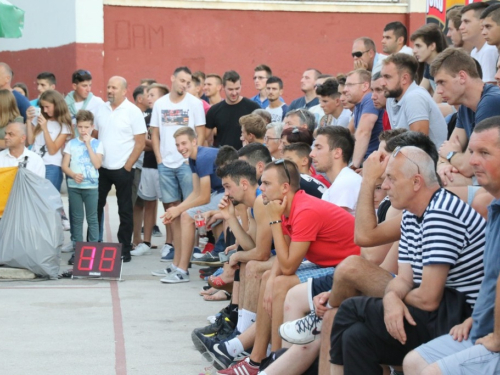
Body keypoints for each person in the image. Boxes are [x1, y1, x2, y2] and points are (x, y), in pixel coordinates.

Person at [329, 146, 486, 375]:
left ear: (416, 182)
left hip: (462, 318)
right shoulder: (413, 214)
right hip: (441, 312)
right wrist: (392, 297)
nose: (384, 186)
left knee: (350, 309)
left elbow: (429, 299)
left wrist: (395, 298)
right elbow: (404, 279)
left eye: (391, 178)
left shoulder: (442, 213)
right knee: (356, 338)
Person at [215, 160, 360, 374]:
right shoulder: (286, 205)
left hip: (349, 269)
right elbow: (286, 254)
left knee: (281, 284)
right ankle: (258, 360)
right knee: (270, 279)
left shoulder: (304, 209)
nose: (261, 188)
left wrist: (274, 221)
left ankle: (276, 360)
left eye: (266, 183)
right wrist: (271, 279)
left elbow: (289, 265)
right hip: (331, 264)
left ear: (284, 187)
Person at [402, 116, 500, 375]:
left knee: (431, 372)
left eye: (484, 152)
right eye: (472, 152)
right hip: (482, 325)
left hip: (496, 336)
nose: (473, 161)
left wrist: (497, 336)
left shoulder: (443, 211)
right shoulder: (495, 208)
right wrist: (476, 318)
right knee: (413, 362)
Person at [154, 126, 226, 283]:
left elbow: (205, 197)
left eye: (184, 143)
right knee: (178, 214)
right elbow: (196, 192)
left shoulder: (204, 156)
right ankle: (176, 265)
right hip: (218, 193)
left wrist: (180, 209)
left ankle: (182, 271)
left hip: (227, 193)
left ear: (194, 141)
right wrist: (175, 210)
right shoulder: (193, 159)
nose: (181, 148)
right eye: (178, 145)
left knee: (186, 216)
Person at [150, 67, 206, 261]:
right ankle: (173, 245)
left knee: (191, 206)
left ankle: (195, 246)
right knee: (171, 207)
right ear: (172, 78)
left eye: (187, 82)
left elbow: (201, 132)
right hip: (166, 163)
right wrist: (159, 159)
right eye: (181, 80)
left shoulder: (195, 103)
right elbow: (154, 133)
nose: (184, 85)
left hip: (187, 163)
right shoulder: (160, 104)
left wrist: (194, 158)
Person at [94, 76, 147, 263]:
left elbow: (140, 142)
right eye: (108, 87)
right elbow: (94, 134)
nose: (110, 90)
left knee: (125, 211)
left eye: (114, 88)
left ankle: (124, 249)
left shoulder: (133, 111)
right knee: (95, 208)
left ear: (124, 90)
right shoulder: (101, 109)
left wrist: (128, 166)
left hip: (123, 168)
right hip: (102, 168)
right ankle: (93, 244)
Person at [431, 48, 500, 187]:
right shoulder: (465, 106)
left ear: (462, 77)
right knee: (439, 177)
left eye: (442, 82)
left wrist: (451, 155)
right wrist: (443, 165)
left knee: (441, 183)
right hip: (485, 179)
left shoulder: (491, 102)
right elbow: (444, 151)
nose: (438, 91)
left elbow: (469, 166)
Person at [133, 83, 170, 257]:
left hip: (164, 166)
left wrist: (147, 143)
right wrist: (151, 143)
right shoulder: (143, 118)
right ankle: (146, 241)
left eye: (152, 95)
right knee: (149, 204)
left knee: (169, 206)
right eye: (148, 94)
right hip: (148, 166)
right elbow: (141, 144)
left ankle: (170, 243)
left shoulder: (167, 119)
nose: (148, 97)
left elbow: (164, 144)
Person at [381, 53, 447, 149]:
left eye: (387, 77)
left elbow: (419, 146)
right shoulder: (391, 98)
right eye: (382, 76)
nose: (382, 83)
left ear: (404, 78)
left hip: (430, 161)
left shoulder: (415, 98)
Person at [61, 110, 103, 260]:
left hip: (91, 188)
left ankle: (92, 250)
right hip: (74, 187)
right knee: (77, 219)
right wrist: (73, 175)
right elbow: (64, 165)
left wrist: (88, 145)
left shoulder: (97, 144)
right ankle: (77, 250)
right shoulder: (71, 144)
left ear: (92, 127)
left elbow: (97, 164)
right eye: (80, 127)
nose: (83, 130)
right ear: (75, 127)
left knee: (92, 219)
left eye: (86, 127)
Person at [26, 90, 74, 191]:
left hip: (52, 166)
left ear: (57, 105)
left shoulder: (64, 125)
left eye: (47, 107)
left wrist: (45, 129)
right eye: (43, 107)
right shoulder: (39, 119)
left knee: (49, 200)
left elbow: (52, 150)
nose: (45, 110)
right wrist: (28, 121)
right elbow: (30, 141)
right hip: (34, 163)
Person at [310, 126, 361, 214]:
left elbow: (334, 225)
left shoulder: (346, 182)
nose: (311, 154)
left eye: (318, 148)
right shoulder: (342, 181)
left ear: (337, 153)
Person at [206, 70, 260, 149]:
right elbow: (206, 138)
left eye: (237, 88)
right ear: (223, 87)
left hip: (246, 156)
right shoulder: (214, 110)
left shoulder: (253, 107)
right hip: (223, 157)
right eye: (230, 89)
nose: (234, 93)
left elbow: (261, 135)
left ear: (241, 86)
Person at [343, 69, 383, 169]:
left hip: (376, 162)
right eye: (345, 85)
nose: (344, 89)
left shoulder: (369, 98)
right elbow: (349, 133)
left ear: (365, 86)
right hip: (369, 161)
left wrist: (354, 166)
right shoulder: (358, 105)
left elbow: (363, 131)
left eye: (350, 85)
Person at [460, 2, 498, 84]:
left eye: (466, 22)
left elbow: (490, 87)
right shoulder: (474, 52)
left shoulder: (489, 50)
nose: (461, 27)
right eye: (461, 22)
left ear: (481, 22)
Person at [410, 24, 449, 95]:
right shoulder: (430, 64)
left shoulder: (444, 66)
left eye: (418, 46)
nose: (414, 51)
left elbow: (435, 104)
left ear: (432, 46)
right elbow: (420, 93)